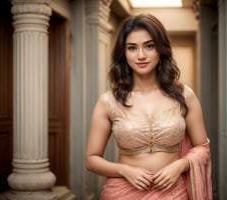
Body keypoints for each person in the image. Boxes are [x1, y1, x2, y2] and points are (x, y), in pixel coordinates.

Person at [85, 13, 212, 200]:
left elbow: (202, 149)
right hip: (123, 192)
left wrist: (180, 165)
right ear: (124, 53)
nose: (141, 55)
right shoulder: (109, 101)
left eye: (149, 46)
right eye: (132, 48)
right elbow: (91, 159)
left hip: (174, 192)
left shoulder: (184, 96)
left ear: (161, 50)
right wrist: (125, 170)